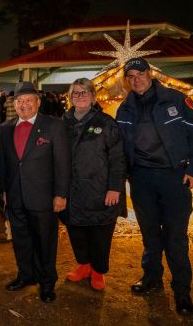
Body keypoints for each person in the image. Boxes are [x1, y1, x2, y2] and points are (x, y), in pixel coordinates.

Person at [116, 57, 193, 315]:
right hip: (141, 179)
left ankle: (182, 291)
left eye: (140, 74)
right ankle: (151, 279)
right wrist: (124, 173)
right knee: (149, 233)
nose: (136, 80)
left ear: (150, 73)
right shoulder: (125, 108)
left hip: (174, 176)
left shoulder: (176, 99)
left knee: (175, 236)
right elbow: (119, 146)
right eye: (131, 76)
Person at [0, 81, 71, 303]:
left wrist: (61, 194)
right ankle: (26, 275)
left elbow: (63, 163)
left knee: (45, 242)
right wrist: (4, 192)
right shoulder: (5, 127)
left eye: (29, 100)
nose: (24, 104)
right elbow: (5, 163)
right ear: (14, 104)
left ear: (38, 102)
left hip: (44, 197)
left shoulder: (54, 126)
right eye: (20, 100)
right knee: (21, 240)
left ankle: (47, 283)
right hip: (15, 196)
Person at [61, 78, 126, 291]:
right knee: (76, 230)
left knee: (99, 233)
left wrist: (114, 187)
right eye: (75, 93)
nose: (80, 97)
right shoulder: (62, 123)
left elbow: (118, 158)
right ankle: (84, 265)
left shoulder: (106, 123)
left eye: (84, 93)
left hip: (99, 188)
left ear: (93, 97)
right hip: (71, 190)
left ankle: (98, 271)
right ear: (70, 98)